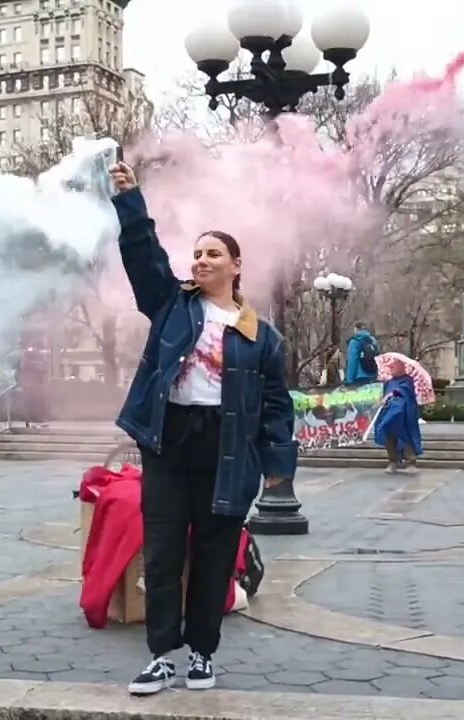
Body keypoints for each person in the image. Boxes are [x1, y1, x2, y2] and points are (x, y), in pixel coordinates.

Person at [107, 161, 296, 696]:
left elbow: (278, 406)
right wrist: (130, 201)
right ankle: (161, 657)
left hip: (228, 450)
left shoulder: (262, 336)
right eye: (196, 253)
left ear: (236, 266)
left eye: (213, 253)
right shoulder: (172, 305)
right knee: (164, 551)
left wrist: (280, 468)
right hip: (169, 441)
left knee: (214, 556)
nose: (201, 260)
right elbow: (143, 258)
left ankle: (202, 654)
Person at [372, 357, 422, 473]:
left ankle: (411, 462)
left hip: (404, 415)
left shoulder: (408, 380)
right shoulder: (389, 382)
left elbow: (404, 391)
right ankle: (392, 461)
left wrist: (391, 395)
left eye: (393, 367)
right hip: (389, 414)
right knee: (390, 437)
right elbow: (382, 394)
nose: (390, 369)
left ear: (400, 368)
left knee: (406, 437)